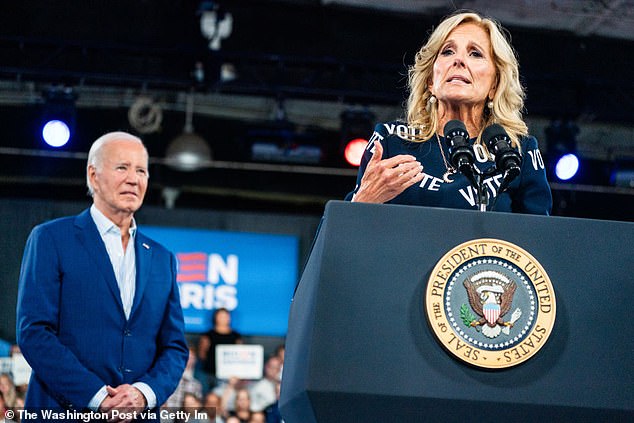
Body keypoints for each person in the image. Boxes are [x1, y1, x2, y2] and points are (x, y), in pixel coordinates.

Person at [16, 131, 189, 421]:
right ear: (93, 176)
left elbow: (174, 347)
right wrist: (97, 397)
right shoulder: (51, 239)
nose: (134, 178)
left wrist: (143, 394)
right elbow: (34, 331)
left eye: (141, 170)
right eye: (122, 167)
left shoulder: (162, 258)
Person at [345, 11, 552, 215]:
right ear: (430, 81)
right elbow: (340, 236)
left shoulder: (516, 153)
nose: (459, 60)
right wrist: (365, 200)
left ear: (494, 86)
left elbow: (540, 240)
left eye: (475, 54)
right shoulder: (390, 141)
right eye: (447, 52)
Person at [197, 308, 242, 389]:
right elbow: (202, 354)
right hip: (210, 372)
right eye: (220, 316)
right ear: (215, 317)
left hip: (228, 374)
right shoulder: (208, 335)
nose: (223, 318)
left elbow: (240, 353)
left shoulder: (235, 336)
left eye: (225, 316)